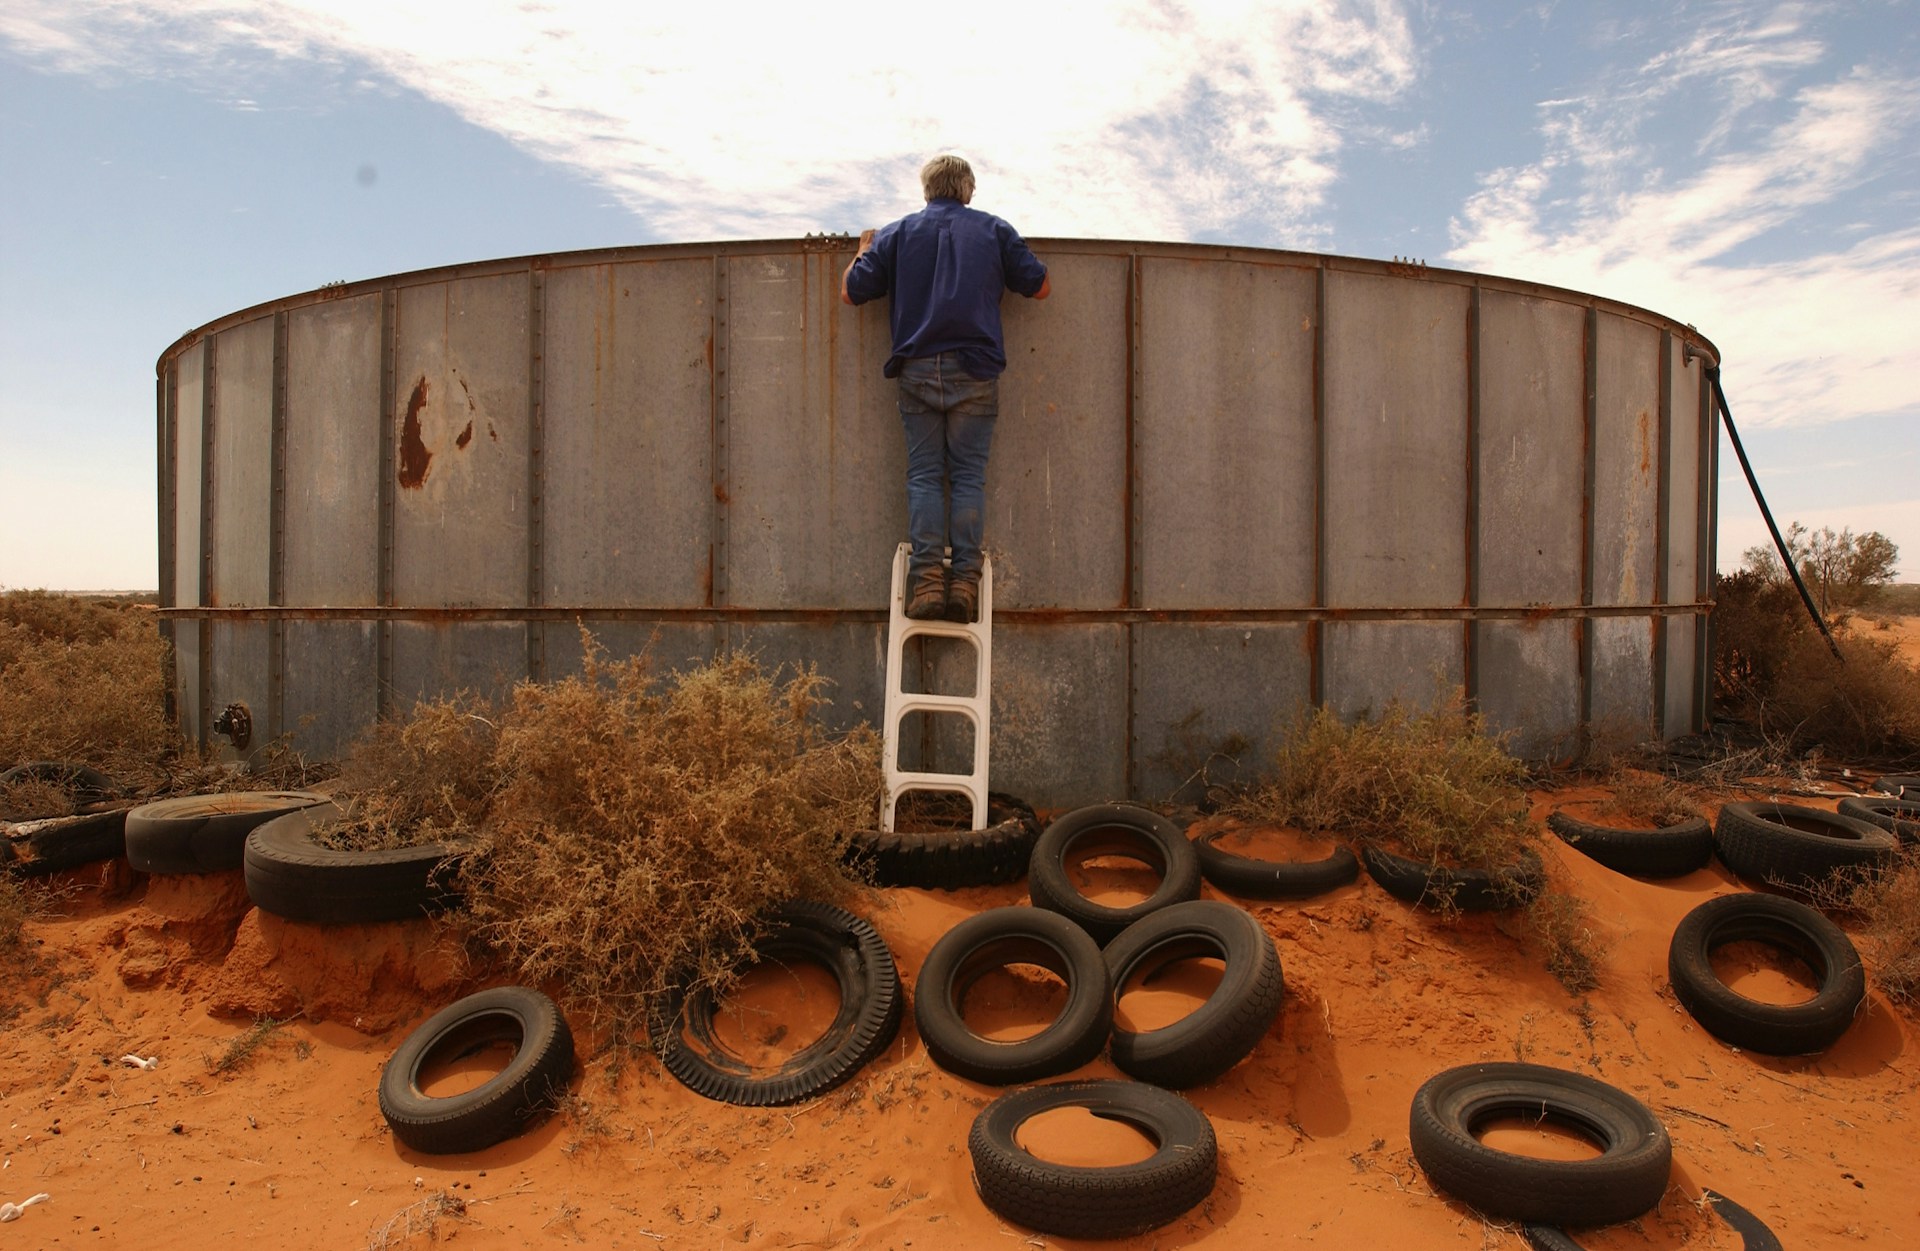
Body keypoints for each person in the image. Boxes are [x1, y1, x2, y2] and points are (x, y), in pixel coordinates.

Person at [842, 154, 1051, 622]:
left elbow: (852, 291)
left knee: (923, 476)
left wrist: (862, 250)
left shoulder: (897, 233)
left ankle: (928, 585)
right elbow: (1040, 287)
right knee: (968, 478)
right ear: (968, 190)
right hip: (975, 370)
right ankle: (964, 587)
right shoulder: (995, 230)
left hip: (916, 369)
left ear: (926, 191)